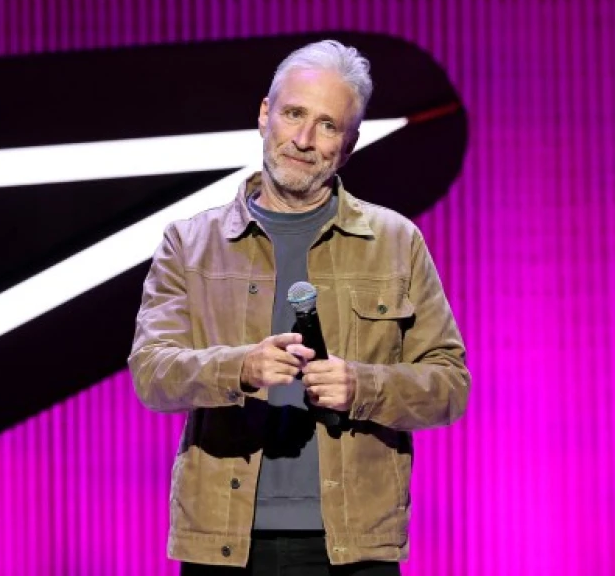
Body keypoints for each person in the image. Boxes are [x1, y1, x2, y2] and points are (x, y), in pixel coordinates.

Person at [129, 39, 469, 575]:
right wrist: (239, 367)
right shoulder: (190, 244)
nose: (304, 139)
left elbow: (450, 386)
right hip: (224, 543)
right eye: (293, 114)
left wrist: (363, 386)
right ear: (266, 114)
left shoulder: (395, 242)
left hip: (354, 545)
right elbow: (152, 375)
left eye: (328, 125)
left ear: (349, 143)